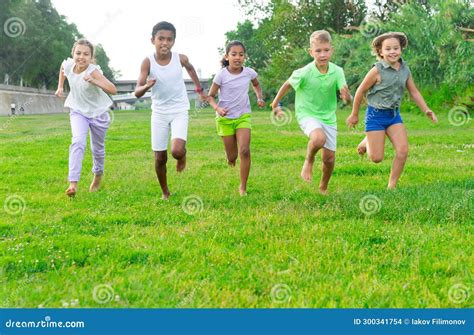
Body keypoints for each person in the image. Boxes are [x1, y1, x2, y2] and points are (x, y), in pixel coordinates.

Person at [346, 32, 438, 189]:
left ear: (401, 49)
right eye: (388, 49)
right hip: (375, 116)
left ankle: (392, 185)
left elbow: (413, 91)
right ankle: (368, 140)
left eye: (396, 48)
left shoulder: (405, 69)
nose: (392, 51)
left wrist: (426, 110)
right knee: (376, 158)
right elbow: (360, 91)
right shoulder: (377, 70)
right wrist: (354, 114)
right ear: (380, 52)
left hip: (393, 116)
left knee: (402, 151)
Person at [271, 30, 351, 195]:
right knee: (318, 138)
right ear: (311, 52)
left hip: (328, 117)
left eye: (326, 50)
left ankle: (323, 187)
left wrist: (347, 97)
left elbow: (347, 98)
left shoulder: (337, 71)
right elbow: (287, 84)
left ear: (332, 50)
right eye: (318, 51)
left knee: (329, 159)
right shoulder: (305, 71)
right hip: (307, 114)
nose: (323, 54)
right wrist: (275, 103)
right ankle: (309, 160)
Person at [135, 21, 206, 200]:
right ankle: (165, 192)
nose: (165, 43)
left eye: (169, 39)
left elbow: (190, 69)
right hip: (158, 112)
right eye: (161, 39)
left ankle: (183, 155)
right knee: (160, 158)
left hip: (179, 109)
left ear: (174, 41)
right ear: (153, 40)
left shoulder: (180, 58)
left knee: (176, 150)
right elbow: (137, 91)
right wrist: (147, 86)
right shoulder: (147, 61)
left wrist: (198, 89)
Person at [55, 39, 117, 197]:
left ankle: (97, 176)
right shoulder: (69, 65)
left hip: (98, 113)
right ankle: (73, 184)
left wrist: (95, 81)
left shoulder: (93, 71)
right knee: (77, 141)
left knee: (97, 149)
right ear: (73, 53)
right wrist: (60, 87)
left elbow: (113, 89)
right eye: (78, 53)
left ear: (91, 57)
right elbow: (62, 69)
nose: (81, 57)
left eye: (86, 54)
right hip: (77, 110)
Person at [207, 40, 265, 196]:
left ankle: (243, 187)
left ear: (244, 57)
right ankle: (230, 159)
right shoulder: (221, 75)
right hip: (225, 119)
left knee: (245, 150)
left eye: (241, 54)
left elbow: (256, 84)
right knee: (232, 156)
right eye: (234, 54)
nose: (237, 57)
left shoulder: (249, 72)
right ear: (227, 56)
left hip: (243, 116)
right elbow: (210, 96)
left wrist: (259, 97)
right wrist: (217, 108)